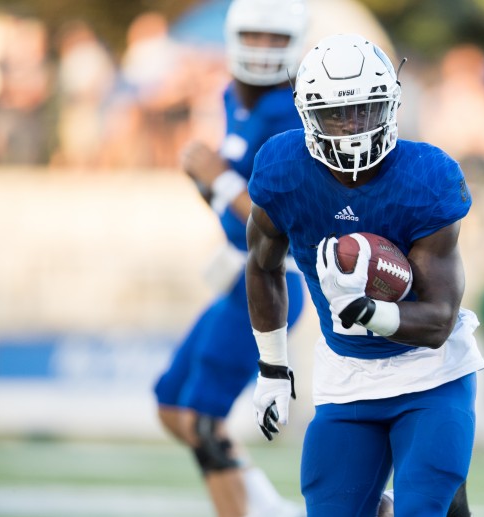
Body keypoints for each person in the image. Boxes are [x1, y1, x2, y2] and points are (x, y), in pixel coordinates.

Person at [245, 33, 484, 517]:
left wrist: (365, 310)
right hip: (347, 373)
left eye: (366, 109)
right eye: (336, 113)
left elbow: (439, 322)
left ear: (392, 104)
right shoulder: (283, 168)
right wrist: (273, 367)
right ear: (308, 114)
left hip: (429, 374)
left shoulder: (426, 176)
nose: (352, 126)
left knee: (424, 506)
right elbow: (262, 263)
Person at [152, 1, 308, 516]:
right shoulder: (233, 97)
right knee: (174, 406)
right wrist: (210, 185)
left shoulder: (294, 111)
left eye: (274, 38)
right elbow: (232, 205)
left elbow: (277, 221)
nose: (263, 50)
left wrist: (217, 176)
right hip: (236, 273)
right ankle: (268, 509)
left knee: (203, 422)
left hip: (270, 279)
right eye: (254, 36)